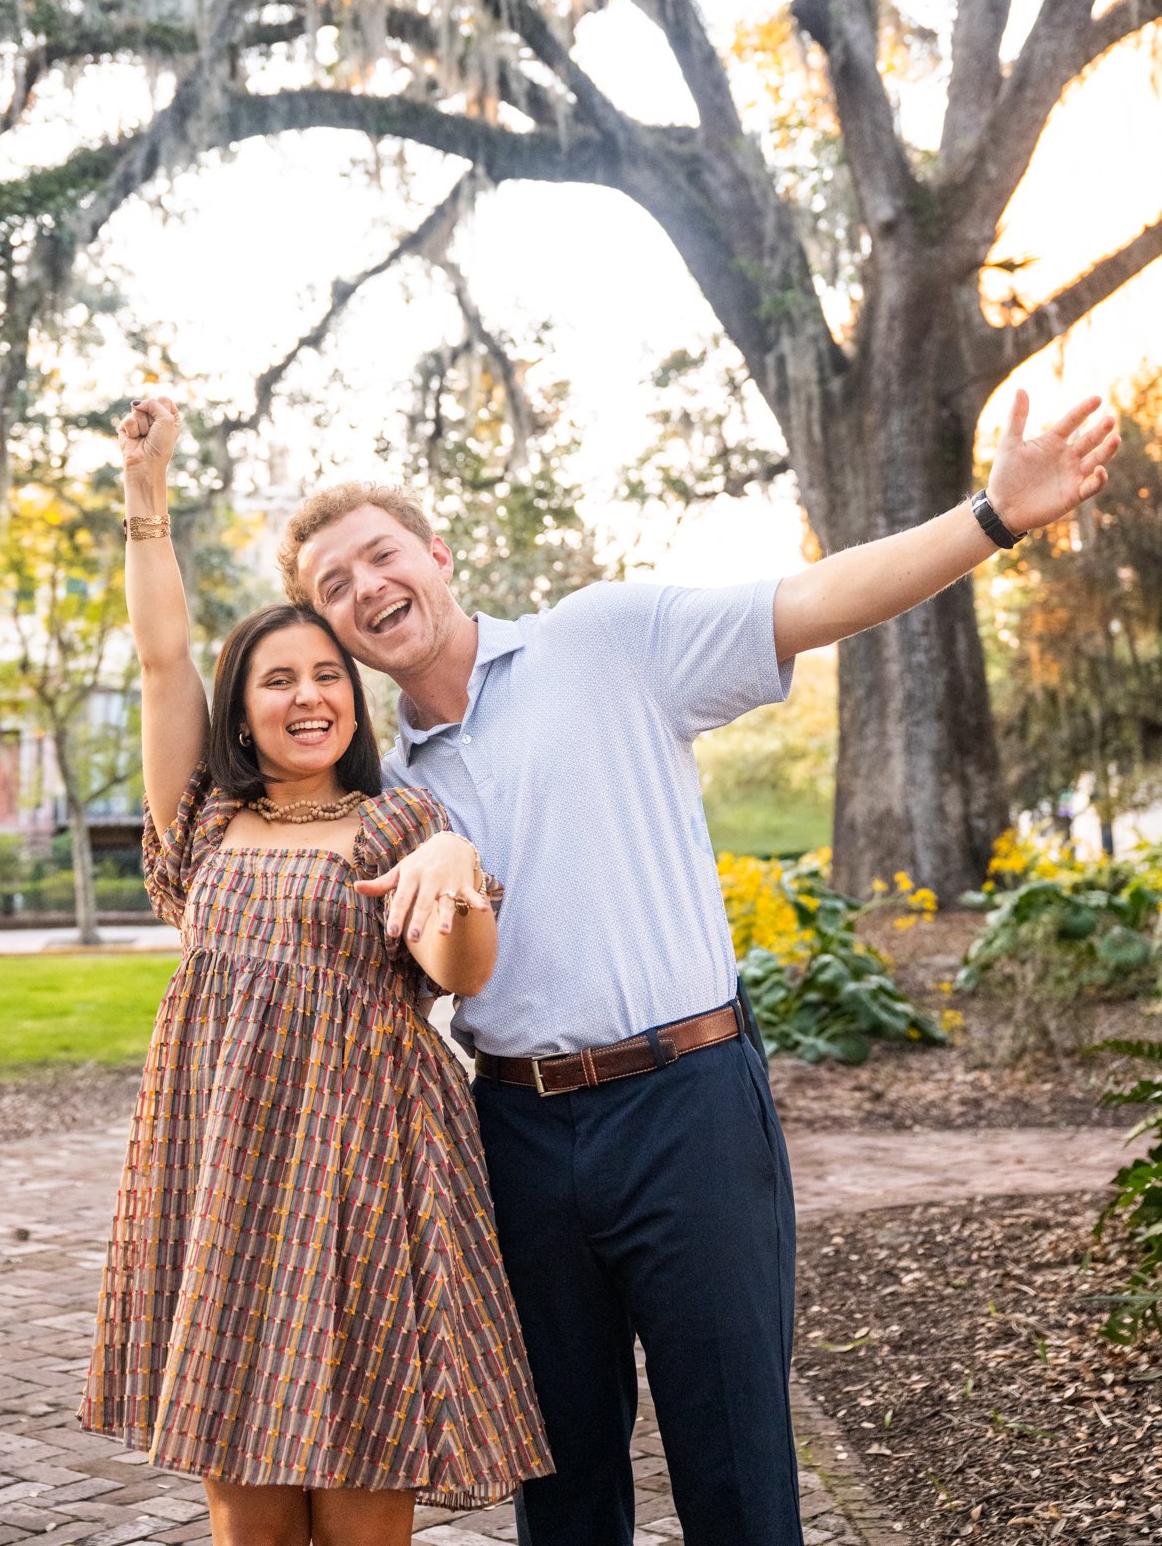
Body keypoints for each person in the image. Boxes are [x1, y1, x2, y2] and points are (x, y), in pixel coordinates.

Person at [267, 386, 1119, 1546]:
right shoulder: (385, 795)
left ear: (437, 555)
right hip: (514, 1130)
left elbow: (813, 598)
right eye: (333, 585)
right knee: (561, 1482)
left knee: (736, 1465)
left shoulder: (601, 638)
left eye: (381, 554)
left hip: (689, 1103)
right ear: (329, 627)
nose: (366, 586)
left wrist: (993, 515)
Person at [77, 400, 551, 1546]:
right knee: (249, 1509)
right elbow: (161, 659)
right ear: (241, 710)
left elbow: (462, 969)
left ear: (355, 694)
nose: (307, 696)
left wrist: (457, 871)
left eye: (328, 675)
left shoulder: (403, 821)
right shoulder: (204, 824)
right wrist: (146, 492)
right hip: (229, 1175)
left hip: (365, 1179)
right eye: (277, 679)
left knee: (360, 1485)